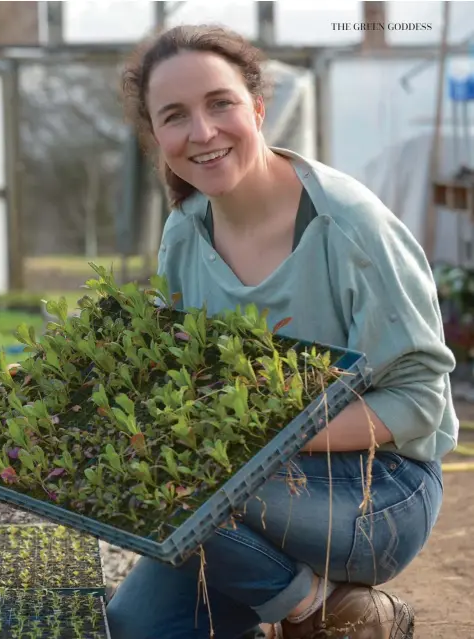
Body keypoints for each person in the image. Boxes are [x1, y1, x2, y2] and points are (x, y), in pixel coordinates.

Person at [106, 23, 458, 639]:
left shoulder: (348, 227)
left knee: (183, 487)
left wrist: (265, 440)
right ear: (156, 137)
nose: (203, 133)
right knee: (136, 626)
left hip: (380, 491)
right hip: (243, 488)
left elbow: (419, 402)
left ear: (258, 108)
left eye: (221, 104)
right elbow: (180, 383)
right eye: (175, 116)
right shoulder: (185, 234)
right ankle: (306, 604)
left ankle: (300, 604)